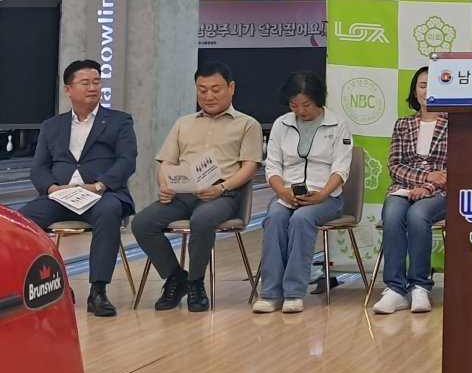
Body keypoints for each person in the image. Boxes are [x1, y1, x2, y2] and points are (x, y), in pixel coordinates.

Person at [132, 62, 263, 312]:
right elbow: (167, 163)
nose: (208, 96)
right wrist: (164, 185)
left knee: (202, 220)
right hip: (182, 193)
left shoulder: (247, 124)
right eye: (202, 90)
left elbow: (249, 167)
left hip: (221, 195)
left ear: (231, 88)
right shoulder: (184, 123)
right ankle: (175, 277)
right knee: (142, 223)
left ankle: (195, 283)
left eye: (215, 89)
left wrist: (221, 189)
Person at [23, 59, 137, 317]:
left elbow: (127, 161)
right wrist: (53, 188)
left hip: (102, 194)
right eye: (85, 83)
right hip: (60, 196)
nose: (93, 88)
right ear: (68, 89)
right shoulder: (52, 125)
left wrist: (99, 185)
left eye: (97, 82)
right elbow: (39, 168)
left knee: (109, 212)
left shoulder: (119, 121)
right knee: (23, 222)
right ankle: (55, 284)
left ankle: (98, 291)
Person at [252, 72, 352, 314]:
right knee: (275, 218)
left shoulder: (338, 125)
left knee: (301, 219)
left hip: (327, 198)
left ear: (318, 99)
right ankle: (270, 293)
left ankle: (294, 292)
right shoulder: (281, 124)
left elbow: (341, 168)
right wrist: (282, 191)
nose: (300, 111)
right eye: (293, 105)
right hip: (287, 196)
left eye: (306, 105)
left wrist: (322, 194)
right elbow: (272, 166)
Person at [373, 67, 448, 315]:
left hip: (440, 193)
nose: (427, 91)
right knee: (393, 215)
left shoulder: (455, 124)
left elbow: (455, 168)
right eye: (422, 86)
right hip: (402, 188)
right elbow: (394, 165)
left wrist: (427, 187)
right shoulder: (403, 124)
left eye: (433, 85)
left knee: (417, 216)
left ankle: (420, 286)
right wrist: (424, 178)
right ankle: (395, 289)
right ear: (415, 92)